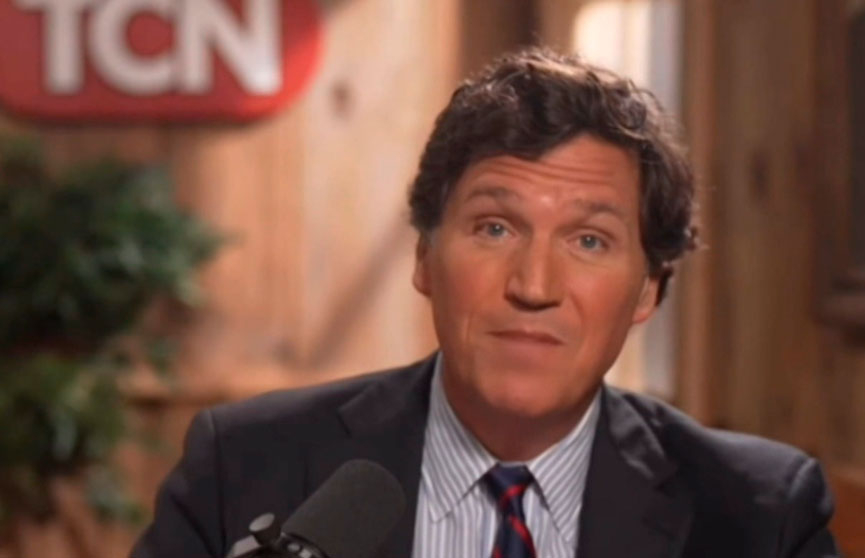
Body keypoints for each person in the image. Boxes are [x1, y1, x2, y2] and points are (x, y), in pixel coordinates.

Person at [131, 48, 838, 558]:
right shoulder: (244, 466)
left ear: (648, 289)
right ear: (423, 258)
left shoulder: (759, 513)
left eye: (589, 241)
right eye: (494, 228)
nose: (533, 286)